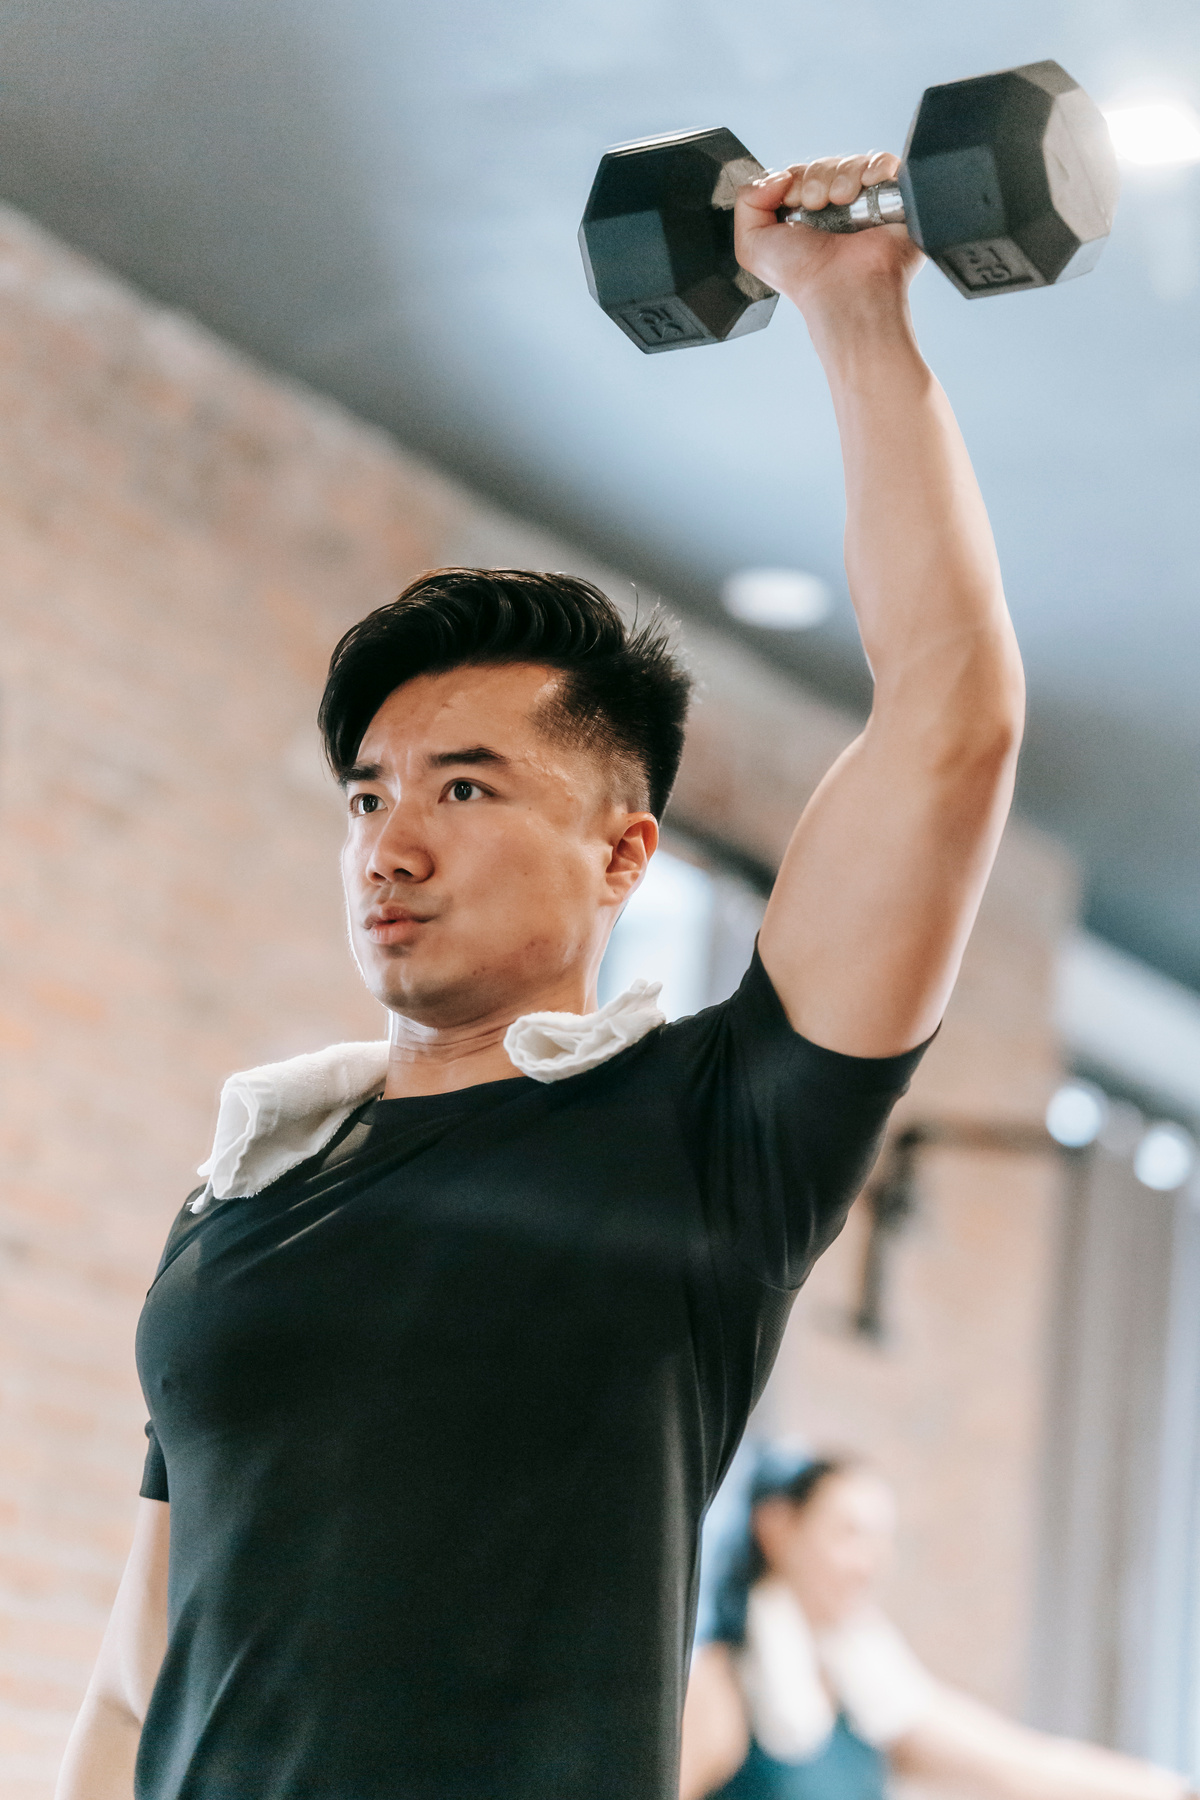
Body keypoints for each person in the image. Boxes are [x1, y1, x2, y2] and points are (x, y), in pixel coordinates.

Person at [57, 149, 1025, 1800]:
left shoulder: (716, 1133)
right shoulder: (243, 1188)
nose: (390, 845)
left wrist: (854, 312)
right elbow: (140, 1673)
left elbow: (951, 719)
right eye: (368, 795)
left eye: (465, 790)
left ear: (625, 855)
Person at [681, 1449, 1192, 1800]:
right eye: (850, 1534)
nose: (873, 1563)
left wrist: (1175, 1792)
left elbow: (1019, 1765)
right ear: (776, 1529)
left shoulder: (867, 1694)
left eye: (881, 1540)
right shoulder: (718, 1687)